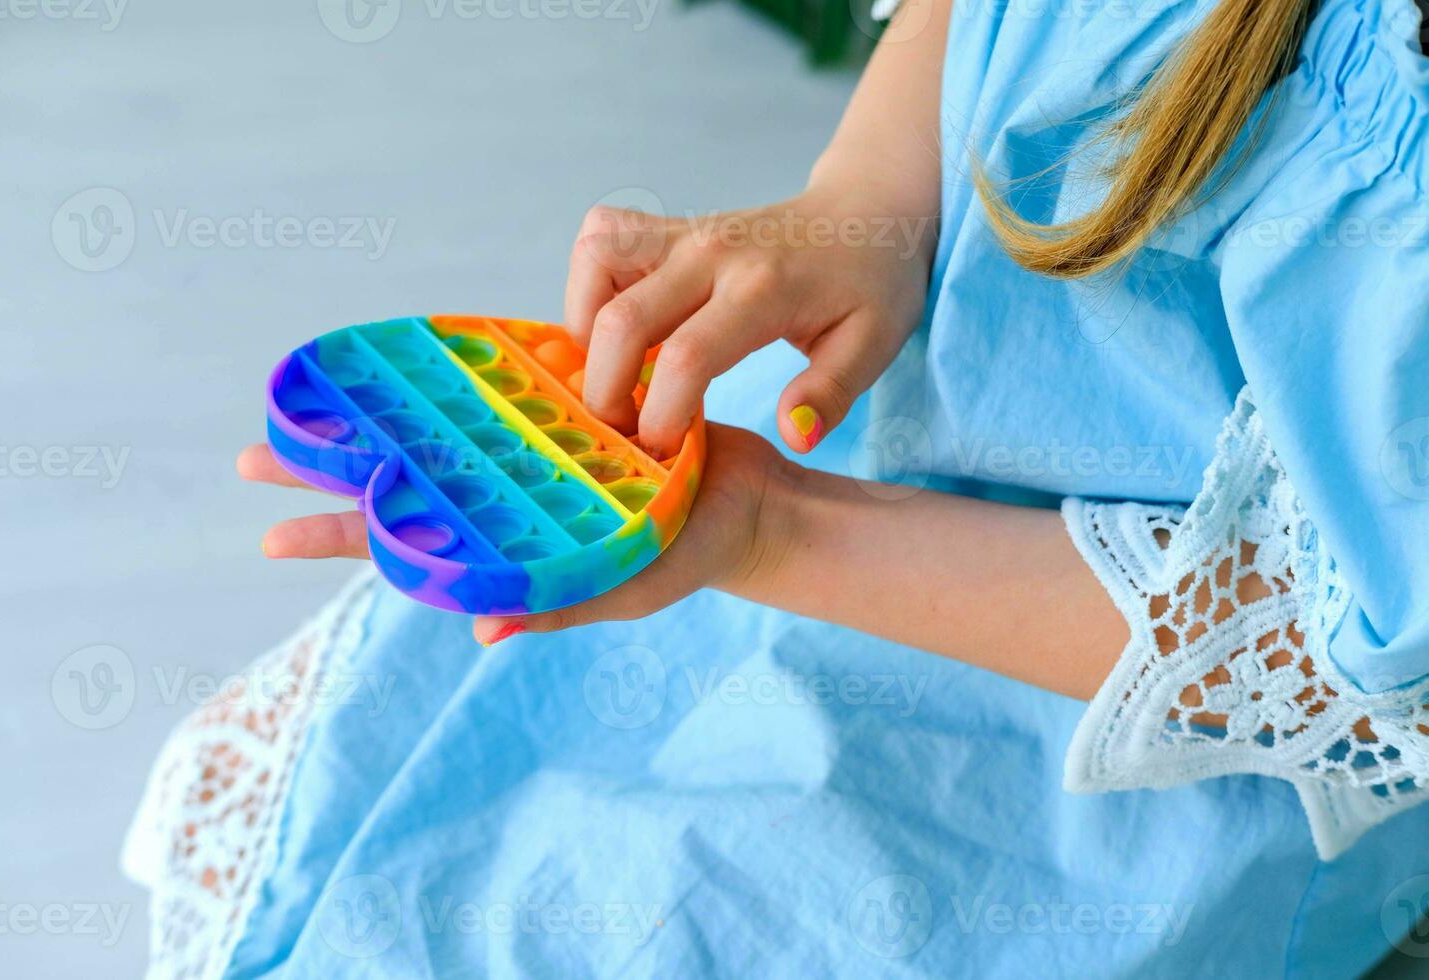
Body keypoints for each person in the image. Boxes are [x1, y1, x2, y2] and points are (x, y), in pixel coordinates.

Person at [124, 0, 1429, 974]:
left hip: (1123, 744)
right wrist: (861, 204)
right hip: (836, 443)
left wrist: (771, 528)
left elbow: (1339, 661)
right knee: (369, 823)